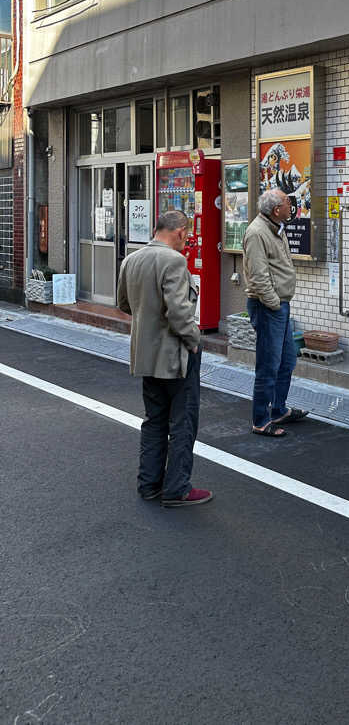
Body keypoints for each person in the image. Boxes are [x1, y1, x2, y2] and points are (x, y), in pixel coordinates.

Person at [117, 210, 212, 508]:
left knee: (154, 420)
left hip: (145, 355)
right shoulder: (174, 261)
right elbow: (179, 312)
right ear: (181, 231)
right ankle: (177, 488)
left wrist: (148, 321)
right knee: (183, 422)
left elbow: (123, 303)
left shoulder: (131, 259)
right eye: (187, 234)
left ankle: (149, 484)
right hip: (175, 355)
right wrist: (194, 341)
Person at [243, 188, 308, 437]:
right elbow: (258, 277)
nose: (290, 205)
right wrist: (273, 304)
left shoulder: (274, 227)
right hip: (268, 306)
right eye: (286, 202)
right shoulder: (257, 232)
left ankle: (278, 409)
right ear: (275, 209)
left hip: (279, 305)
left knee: (287, 360)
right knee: (268, 365)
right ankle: (261, 420)